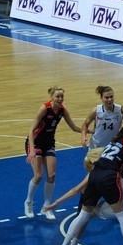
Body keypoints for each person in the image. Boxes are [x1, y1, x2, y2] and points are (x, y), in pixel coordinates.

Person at [24, 86, 82, 220]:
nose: (60, 99)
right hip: (36, 142)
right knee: (38, 175)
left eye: (62, 96)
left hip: (49, 143)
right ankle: (28, 202)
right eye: (58, 96)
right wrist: (32, 149)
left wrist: (89, 131)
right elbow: (31, 129)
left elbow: (74, 127)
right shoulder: (44, 108)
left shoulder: (63, 110)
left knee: (52, 175)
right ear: (52, 97)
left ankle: (47, 206)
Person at [80, 85, 123, 149]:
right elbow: (85, 125)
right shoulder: (96, 111)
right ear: (101, 98)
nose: (110, 99)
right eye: (106, 97)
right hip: (96, 145)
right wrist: (83, 137)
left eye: (111, 97)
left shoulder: (121, 110)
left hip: (112, 146)